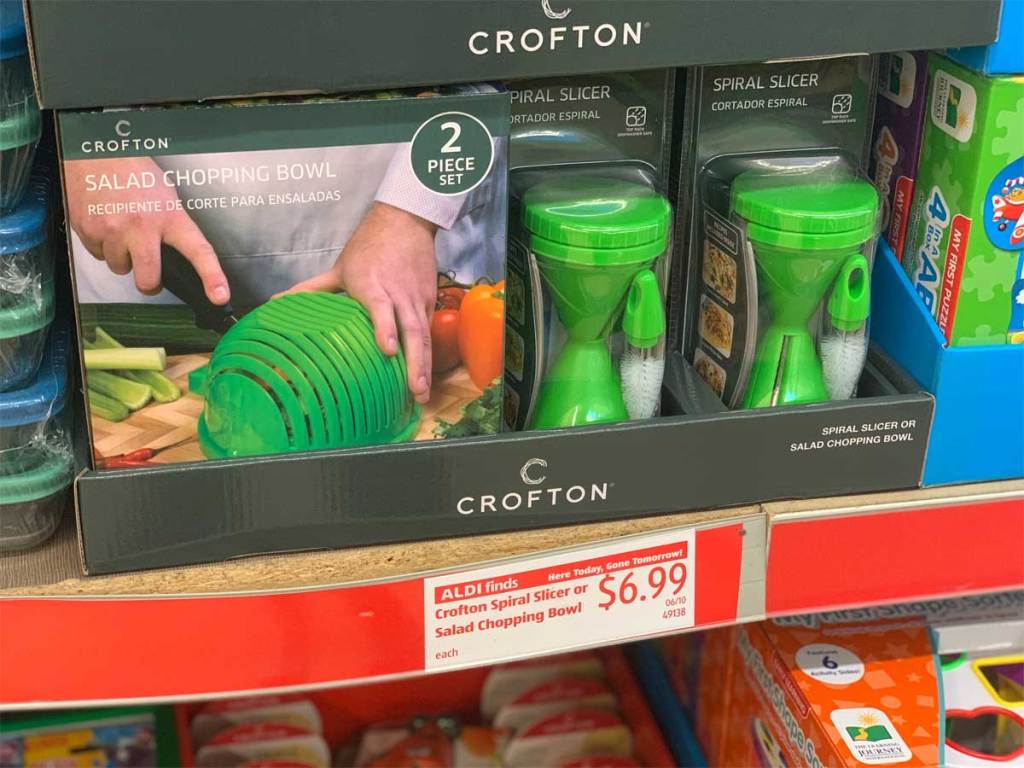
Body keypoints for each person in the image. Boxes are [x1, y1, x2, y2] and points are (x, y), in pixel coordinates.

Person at [65, 138, 505, 405]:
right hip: (141, 218)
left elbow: (494, 27)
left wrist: (410, 209)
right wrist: (83, 148)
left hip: (392, 193)